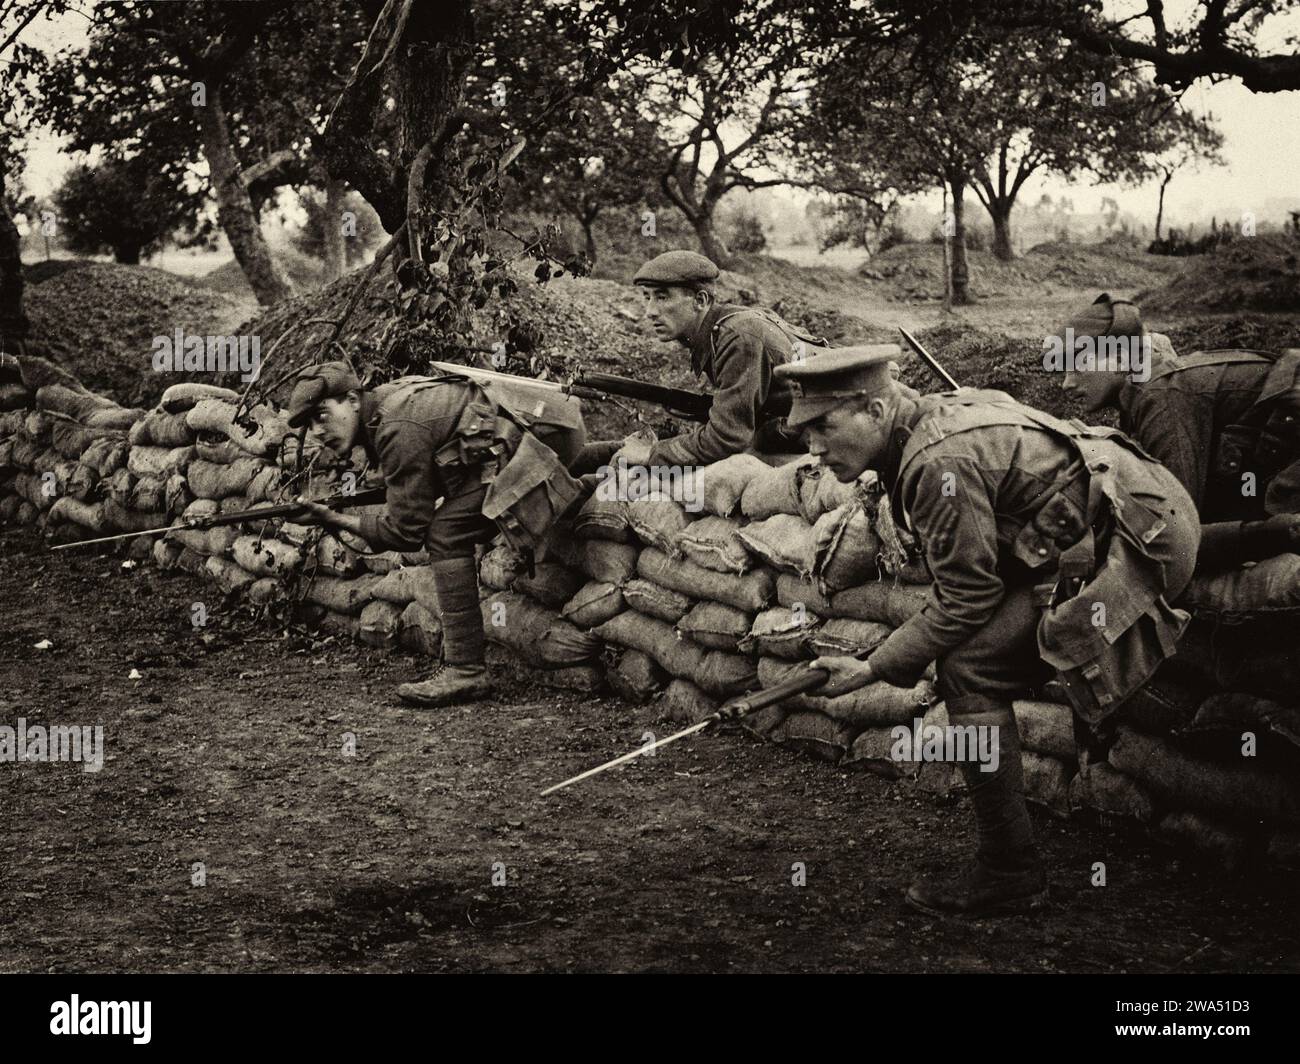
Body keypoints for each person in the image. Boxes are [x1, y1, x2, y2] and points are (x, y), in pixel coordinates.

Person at [775, 347, 1200, 917]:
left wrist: (874, 666)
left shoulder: (934, 462)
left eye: (824, 427)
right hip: (1134, 505)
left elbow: (967, 597)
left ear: (875, 410)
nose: (815, 450)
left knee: (969, 670)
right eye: (805, 432)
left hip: (1140, 537)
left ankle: (1010, 872)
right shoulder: (934, 418)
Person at [286, 361, 586, 708]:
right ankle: (605, 460)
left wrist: (332, 518)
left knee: (446, 532)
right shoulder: (382, 408)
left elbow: (406, 532)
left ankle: (466, 670)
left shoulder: (396, 426)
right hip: (552, 425)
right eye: (310, 424)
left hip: (544, 436)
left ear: (352, 399)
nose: (318, 431)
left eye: (321, 415)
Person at [1053, 293, 1300, 570]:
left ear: (1121, 359)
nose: (1067, 384)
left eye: (1077, 367)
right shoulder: (1148, 393)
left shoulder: (1161, 396)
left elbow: (1177, 529)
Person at [606, 249, 826, 471]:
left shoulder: (738, 337)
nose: (650, 311)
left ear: (700, 300)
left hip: (827, 430)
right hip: (804, 424)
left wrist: (652, 453)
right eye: (648, 297)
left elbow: (726, 439)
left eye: (662, 297)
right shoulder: (721, 328)